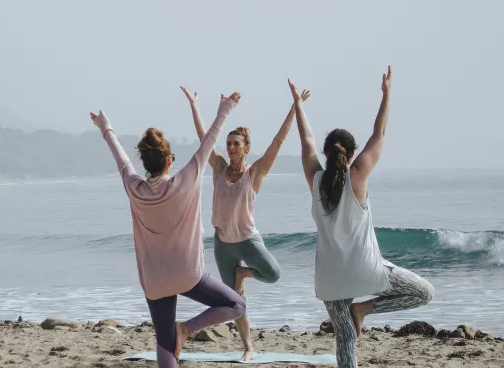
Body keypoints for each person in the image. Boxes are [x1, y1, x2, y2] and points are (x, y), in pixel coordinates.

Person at [289, 66, 434, 368]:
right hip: (366, 269)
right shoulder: (358, 175)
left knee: (345, 341)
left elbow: (306, 140)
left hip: (330, 278)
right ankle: (365, 309)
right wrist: (387, 93)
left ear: (326, 154)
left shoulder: (315, 179)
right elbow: (379, 133)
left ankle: (358, 313)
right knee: (424, 292)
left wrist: (298, 106)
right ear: (351, 153)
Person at [90, 92, 247, 368]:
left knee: (164, 343)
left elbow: (120, 158)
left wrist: (106, 128)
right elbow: (209, 141)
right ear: (169, 161)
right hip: (188, 275)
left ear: (147, 163)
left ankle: (176, 334)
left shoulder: (134, 186)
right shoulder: (185, 180)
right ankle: (186, 329)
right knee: (237, 306)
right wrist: (225, 109)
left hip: (154, 280)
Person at [181, 85, 310, 360]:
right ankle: (248, 348)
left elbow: (278, 141)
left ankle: (244, 274)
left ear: (247, 148)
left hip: (249, 241)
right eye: (228, 143)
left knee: (273, 274)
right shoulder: (217, 167)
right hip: (223, 245)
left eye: (235, 143)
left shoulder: (256, 173)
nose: (229, 147)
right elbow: (205, 137)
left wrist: (294, 107)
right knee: (236, 303)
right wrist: (194, 104)